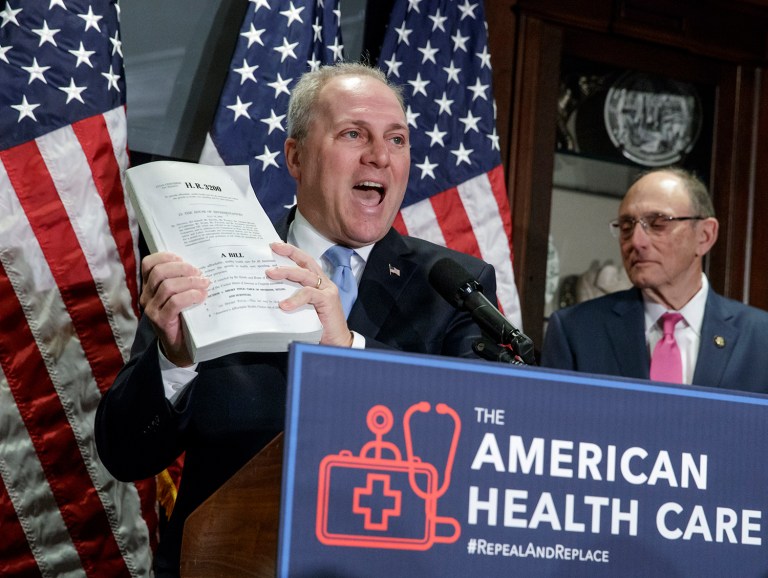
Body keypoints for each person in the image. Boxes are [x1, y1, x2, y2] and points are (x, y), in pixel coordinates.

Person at [95, 62, 499, 576]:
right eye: (354, 134)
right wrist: (174, 360)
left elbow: (481, 444)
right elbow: (124, 454)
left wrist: (346, 349)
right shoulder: (213, 263)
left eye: (396, 139)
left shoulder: (454, 287)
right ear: (296, 156)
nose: (380, 156)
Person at [541, 167, 768, 393]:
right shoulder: (576, 331)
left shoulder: (760, 338)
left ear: (705, 236)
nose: (636, 241)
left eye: (658, 224)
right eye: (626, 227)